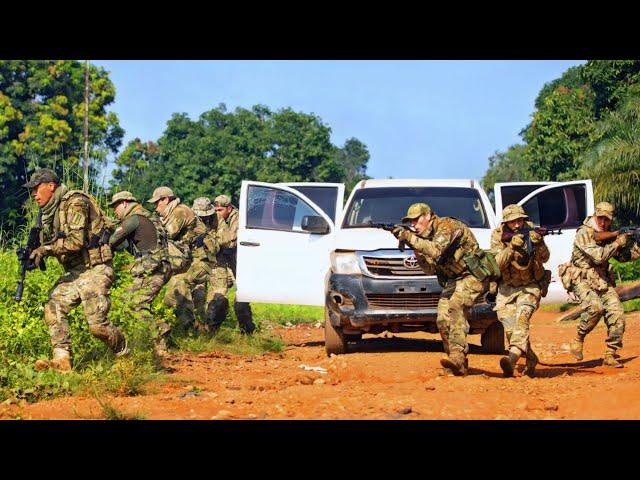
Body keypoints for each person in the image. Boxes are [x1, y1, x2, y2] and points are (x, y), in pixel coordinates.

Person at [24, 169, 128, 372]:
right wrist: (34, 257)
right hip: (76, 272)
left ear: (51, 186)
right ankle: (62, 360)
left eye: (37, 189)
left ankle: (124, 351)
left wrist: (44, 250)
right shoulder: (49, 214)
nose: (34, 195)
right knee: (53, 306)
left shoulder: (75, 202)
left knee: (97, 326)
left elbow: (75, 242)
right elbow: (57, 245)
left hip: (95, 269)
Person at [392, 202, 490, 376]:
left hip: (472, 275)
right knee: (443, 319)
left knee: (456, 305)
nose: (413, 225)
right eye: (410, 222)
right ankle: (457, 364)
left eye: (416, 220)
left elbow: (436, 250)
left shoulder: (447, 226)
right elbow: (429, 269)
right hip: (454, 280)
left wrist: (409, 237)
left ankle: (458, 356)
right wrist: (415, 247)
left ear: (428, 216)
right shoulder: (424, 238)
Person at [560, 202, 640, 368]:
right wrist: (617, 241)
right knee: (595, 307)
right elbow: (598, 257)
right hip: (581, 278)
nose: (603, 222)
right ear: (595, 215)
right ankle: (578, 338)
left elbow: (622, 257)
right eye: (601, 218)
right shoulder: (583, 232)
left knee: (617, 313)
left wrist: (637, 246)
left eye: (607, 219)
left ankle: (611, 354)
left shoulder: (607, 234)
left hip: (601, 279)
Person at [108, 191, 172, 354]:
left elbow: (113, 241)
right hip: (160, 268)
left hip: (152, 270)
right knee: (127, 302)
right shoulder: (148, 216)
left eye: (115, 206)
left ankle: (159, 342)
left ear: (124, 203)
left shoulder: (134, 218)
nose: (114, 211)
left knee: (135, 304)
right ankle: (160, 327)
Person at [490, 204, 551, 377]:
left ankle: (512, 359)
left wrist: (538, 244)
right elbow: (497, 264)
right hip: (506, 288)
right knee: (511, 330)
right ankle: (530, 358)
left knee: (522, 321)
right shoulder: (498, 236)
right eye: (513, 222)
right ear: (506, 223)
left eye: (520, 220)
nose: (517, 225)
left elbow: (545, 257)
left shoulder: (532, 232)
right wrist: (511, 248)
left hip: (530, 286)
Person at [146, 186, 207, 331]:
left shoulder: (179, 212)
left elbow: (166, 234)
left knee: (177, 291)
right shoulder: (172, 212)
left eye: (157, 203)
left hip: (200, 259)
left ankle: (193, 329)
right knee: (176, 296)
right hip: (191, 259)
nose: (155, 207)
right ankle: (194, 329)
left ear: (166, 200)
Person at [207, 194, 256, 334]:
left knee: (241, 299)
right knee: (217, 296)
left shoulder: (238, 218)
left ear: (229, 208)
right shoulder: (214, 218)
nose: (217, 213)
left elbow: (230, 241)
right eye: (215, 210)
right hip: (223, 261)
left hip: (237, 261)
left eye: (220, 210)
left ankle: (247, 330)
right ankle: (212, 330)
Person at [190, 196, 223, 331]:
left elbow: (221, 242)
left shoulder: (217, 220)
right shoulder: (190, 220)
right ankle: (196, 328)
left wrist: (207, 238)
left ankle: (210, 328)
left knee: (215, 299)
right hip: (195, 262)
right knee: (197, 295)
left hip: (215, 262)